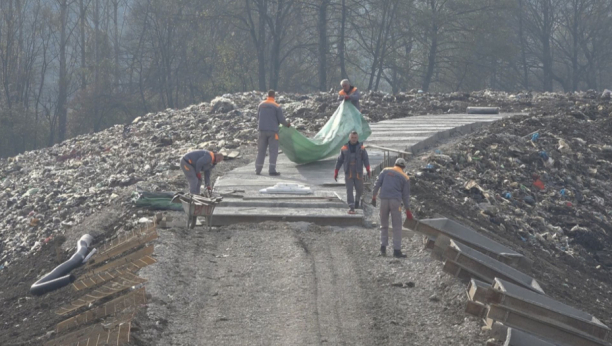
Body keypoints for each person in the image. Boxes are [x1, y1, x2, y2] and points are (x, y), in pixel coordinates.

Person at [371, 158, 413, 258]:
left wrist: (373, 197)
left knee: (383, 224)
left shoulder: (385, 170)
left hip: (384, 200)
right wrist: (408, 210)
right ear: (403, 167)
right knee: (397, 226)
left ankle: (383, 249)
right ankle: (396, 251)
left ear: (395, 164)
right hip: (395, 202)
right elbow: (405, 196)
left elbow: (377, 184)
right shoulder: (405, 177)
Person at [255, 90, 290, 176]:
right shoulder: (276, 106)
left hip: (262, 131)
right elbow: (281, 120)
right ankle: (272, 170)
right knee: (273, 151)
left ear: (267, 95)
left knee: (261, 151)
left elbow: (258, 117)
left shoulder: (261, 105)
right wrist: (287, 125)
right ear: (274, 96)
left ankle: (258, 170)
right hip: (273, 132)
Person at [335, 131, 370, 214]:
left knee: (359, 189)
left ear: (357, 138)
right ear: (349, 138)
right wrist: (336, 171)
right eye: (352, 138)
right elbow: (339, 160)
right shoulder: (344, 148)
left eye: (355, 138)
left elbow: (366, 159)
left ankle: (357, 200)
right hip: (348, 172)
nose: (354, 139)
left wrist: (368, 169)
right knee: (349, 190)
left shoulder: (361, 148)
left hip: (358, 172)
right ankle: (351, 207)